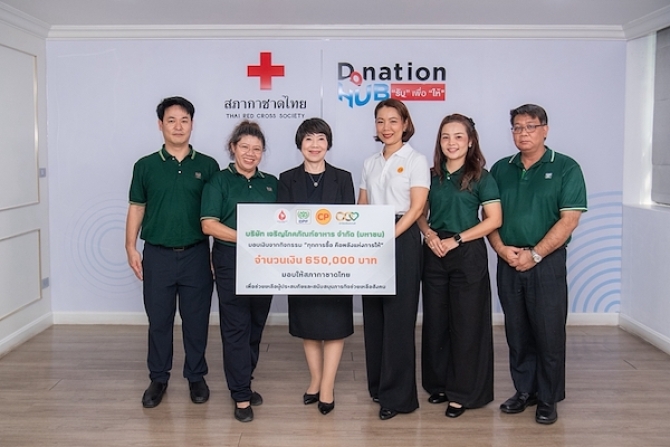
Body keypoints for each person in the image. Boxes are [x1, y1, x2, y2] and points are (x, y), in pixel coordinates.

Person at [488, 104, 587, 425]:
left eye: (530, 127)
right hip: (508, 260)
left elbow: (569, 220)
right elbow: (489, 217)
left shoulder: (566, 167)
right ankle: (524, 391)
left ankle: (547, 398)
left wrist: (535, 255)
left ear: (545, 129)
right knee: (517, 331)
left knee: (548, 332)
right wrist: (501, 249)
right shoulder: (500, 169)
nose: (523, 133)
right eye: (517, 127)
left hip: (546, 263)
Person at [125, 96, 220, 408]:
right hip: (158, 255)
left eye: (184, 120)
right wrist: (130, 246)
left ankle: (196, 376)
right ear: (160, 125)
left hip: (196, 254)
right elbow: (137, 207)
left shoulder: (208, 166)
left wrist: (215, 255)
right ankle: (158, 378)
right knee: (159, 320)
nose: (178, 126)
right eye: (171, 120)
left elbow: (215, 215)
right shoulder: (145, 166)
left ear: (192, 124)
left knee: (196, 320)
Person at [417, 114, 502, 418]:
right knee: (436, 321)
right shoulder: (430, 175)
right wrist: (429, 235)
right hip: (434, 251)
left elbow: (494, 219)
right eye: (445, 137)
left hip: (466, 252)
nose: (451, 143)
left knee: (467, 323)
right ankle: (439, 384)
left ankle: (463, 392)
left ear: (470, 142)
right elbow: (420, 213)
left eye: (458, 137)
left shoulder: (482, 176)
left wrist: (456, 240)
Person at [277, 118, 355, 415]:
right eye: (308, 139)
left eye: (320, 139)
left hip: (335, 265)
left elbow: (349, 224)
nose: (314, 145)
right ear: (300, 144)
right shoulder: (286, 179)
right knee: (308, 325)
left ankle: (328, 386)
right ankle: (315, 379)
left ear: (328, 144)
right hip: (300, 264)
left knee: (334, 326)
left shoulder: (343, 178)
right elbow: (281, 224)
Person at [200, 120, 277, 423]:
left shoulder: (271, 183)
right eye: (244, 147)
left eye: (256, 149)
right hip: (231, 260)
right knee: (236, 328)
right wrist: (248, 236)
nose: (250, 153)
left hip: (265, 263)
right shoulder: (219, 181)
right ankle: (241, 395)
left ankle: (244, 379)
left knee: (256, 326)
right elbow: (209, 225)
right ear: (233, 148)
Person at [358, 98, 430, 420]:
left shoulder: (416, 159)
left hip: (401, 237)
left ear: (405, 124)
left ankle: (398, 397)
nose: (386, 127)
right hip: (371, 236)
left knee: (399, 318)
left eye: (393, 121)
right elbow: (362, 203)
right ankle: (378, 386)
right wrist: (359, 236)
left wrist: (389, 235)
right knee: (374, 316)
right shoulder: (370, 162)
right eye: (380, 121)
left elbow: (417, 208)